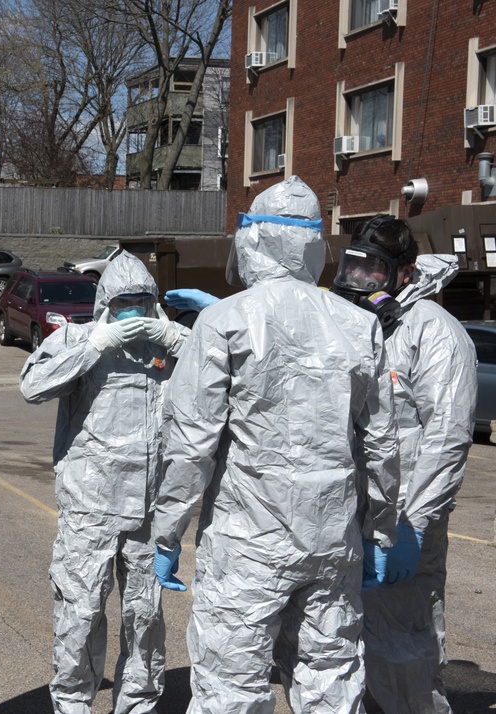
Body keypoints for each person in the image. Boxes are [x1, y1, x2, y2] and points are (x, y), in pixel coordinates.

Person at [151, 176, 401, 713]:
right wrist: (380, 531)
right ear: (316, 245)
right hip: (333, 539)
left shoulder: (222, 321)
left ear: (253, 240)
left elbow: (190, 445)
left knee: (230, 684)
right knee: (331, 675)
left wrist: (167, 534)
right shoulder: (360, 326)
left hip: (249, 540)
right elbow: (381, 443)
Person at [19, 251, 187, 714]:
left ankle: (138, 705)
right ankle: (73, 703)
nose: (134, 309)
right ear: (106, 303)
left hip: (149, 515)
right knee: (80, 614)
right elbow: (32, 385)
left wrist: (177, 336)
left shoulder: (168, 344)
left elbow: (225, 368)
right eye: (124, 301)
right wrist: (95, 343)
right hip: (89, 511)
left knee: (145, 619)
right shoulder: (78, 338)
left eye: (142, 300)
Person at [332, 216, 478, 714]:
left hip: (405, 523)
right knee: (350, 643)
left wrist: (413, 528)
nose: (362, 281)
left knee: (406, 647)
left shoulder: (434, 332)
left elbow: (447, 436)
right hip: (353, 516)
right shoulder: (359, 326)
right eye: (355, 267)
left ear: (405, 274)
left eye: (375, 270)